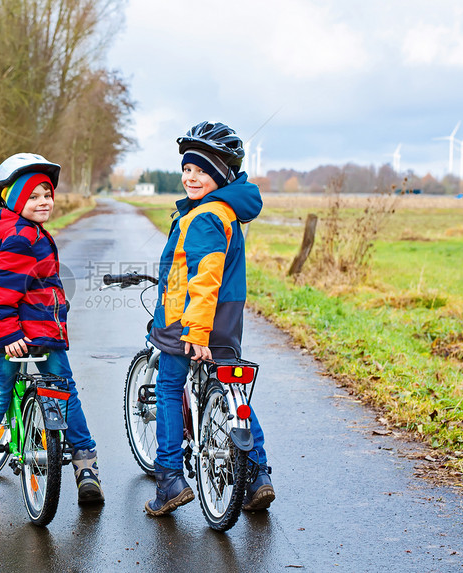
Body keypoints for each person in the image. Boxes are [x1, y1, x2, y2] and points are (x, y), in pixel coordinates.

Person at [0, 152, 103, 507]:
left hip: (18, 336)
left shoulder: (11, 234)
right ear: (14, 199)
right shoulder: (22, 238)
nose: (43, 202)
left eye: (47, 195)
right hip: (36, 333)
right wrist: (10, 334)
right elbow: (0, 289)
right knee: (63, 393)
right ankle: (85, 469)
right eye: (33, 196)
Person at [145, 121, 274, 516]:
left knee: (168, 387)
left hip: (188, 323)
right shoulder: (227, 212)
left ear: (220, 175)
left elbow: (205, 278)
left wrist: (196, 330)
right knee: (234, 393)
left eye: (201, 171)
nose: (190, 177)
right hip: (226, 322)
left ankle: (169, 479)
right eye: (187, 169)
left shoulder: (204, 217)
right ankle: (257, 477)